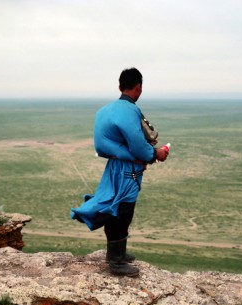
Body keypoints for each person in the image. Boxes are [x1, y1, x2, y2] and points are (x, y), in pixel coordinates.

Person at [71, 67, 169, 277]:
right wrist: (156, 154)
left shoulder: (104, 110)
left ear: (119, 86)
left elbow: (101, 144)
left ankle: (116, 254)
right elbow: (138, 144)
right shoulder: (130, 110)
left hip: (113, 167)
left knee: (115, 206)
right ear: (138, 88)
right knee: (123, 210)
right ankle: (116, 261)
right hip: (127, 170)